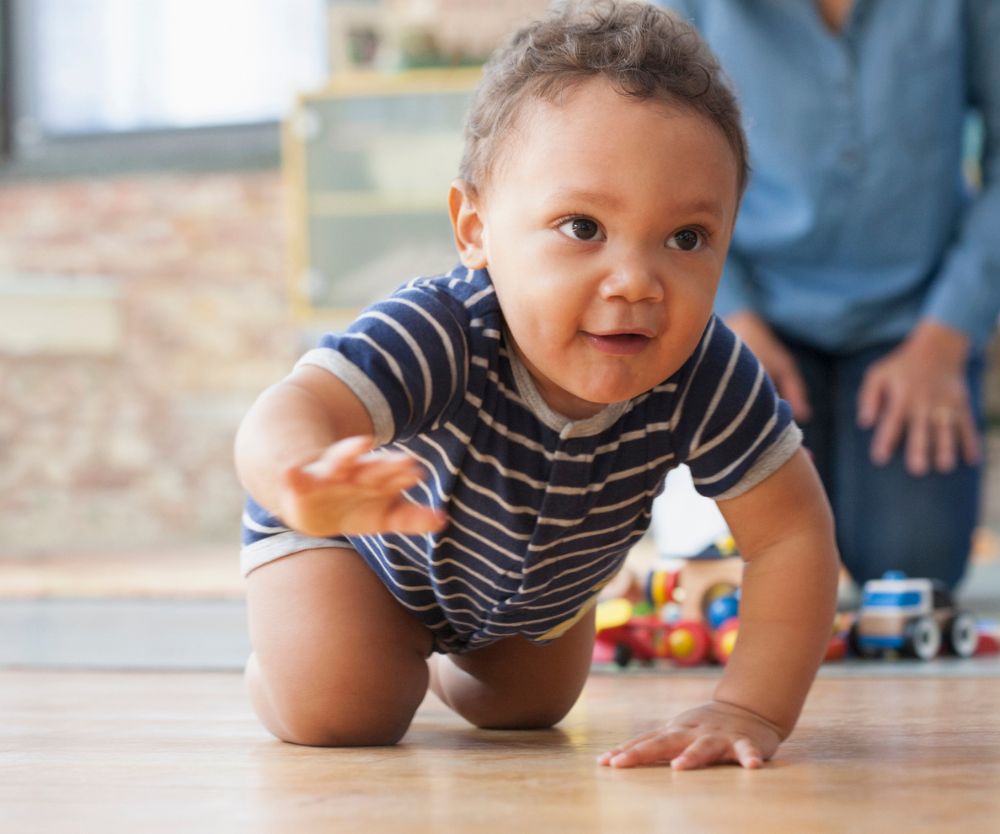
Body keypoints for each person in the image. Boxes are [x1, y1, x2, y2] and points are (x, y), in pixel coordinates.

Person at [234, 2, 839, 771]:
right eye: (583, 227)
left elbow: (792, 534)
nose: (636, 282)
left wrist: (747, 707)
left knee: (526, 711)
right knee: (349, 707)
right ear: (475, 229)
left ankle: (446, 659)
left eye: (686, 238)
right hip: (352, 549)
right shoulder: (445, 330)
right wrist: (301, 477)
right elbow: (290, 408)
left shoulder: (706, 371)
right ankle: (286, 664)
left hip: (527, 599)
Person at [655, 0, 1000, 589]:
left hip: (917, 322)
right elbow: (655, 168)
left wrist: (947, 335)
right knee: (730, 567)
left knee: (914, 574)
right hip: (742, 310)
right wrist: (728, 320)